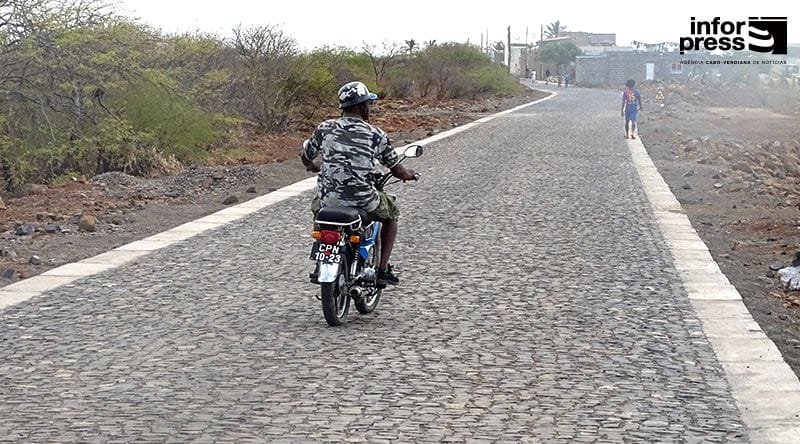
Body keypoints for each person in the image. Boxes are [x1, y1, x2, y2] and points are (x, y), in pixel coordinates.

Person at [300, 81, 417, 286]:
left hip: (329, 198)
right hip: (363, 199)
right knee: (392, 215)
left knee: (318, 209)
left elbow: (307, 155)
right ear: (362, 106)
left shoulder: (324, 128)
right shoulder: (375, 134)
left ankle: (321, 261)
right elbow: (396, 168)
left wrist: (312, 165)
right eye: (368, 105)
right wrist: (408, 174)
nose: (369, 108)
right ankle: (381, 269)